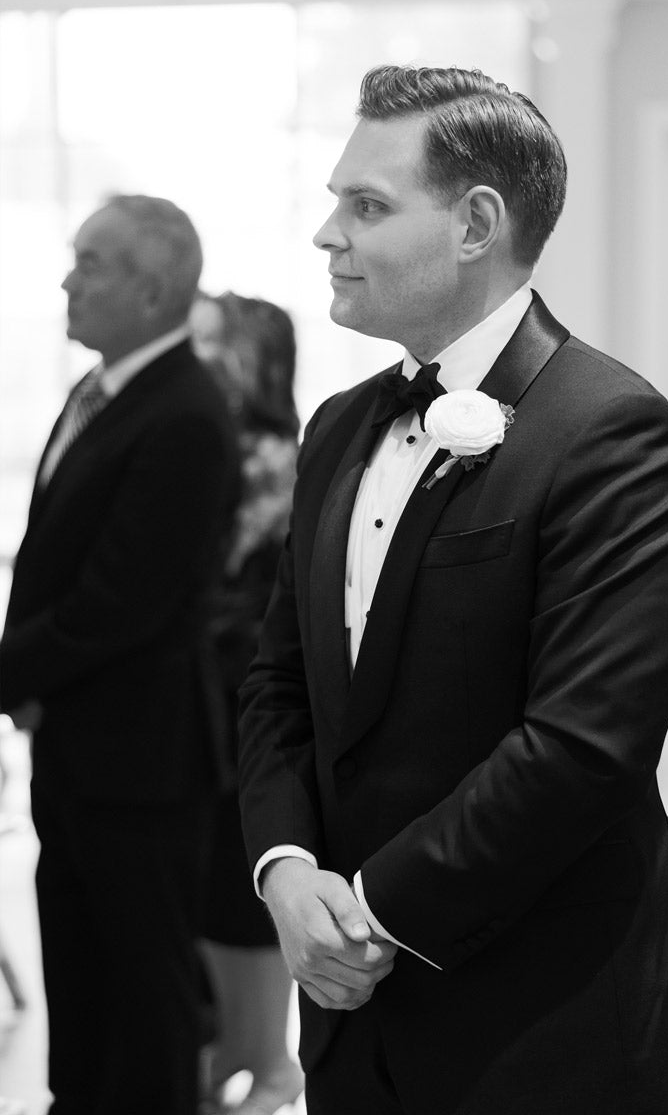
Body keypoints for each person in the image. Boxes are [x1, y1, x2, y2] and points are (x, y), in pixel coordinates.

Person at [237, 66, 668, 1115]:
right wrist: (285, 870)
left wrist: (369, 916)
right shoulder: (338, 425)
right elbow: (278, 680)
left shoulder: (609, 430)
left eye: (364, 205)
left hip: (545, 1015)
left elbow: (581, 746)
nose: (325, 234)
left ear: (476, 224)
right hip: (345, 1010)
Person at [0, 195, 240, 1115]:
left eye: (89, 263)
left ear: (148, 291)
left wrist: (8, 675)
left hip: (142, 758)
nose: (68, 279)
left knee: (146, 989)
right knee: (81, 962)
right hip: (79, 744)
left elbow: (116, 606)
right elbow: (54, 564)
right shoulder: (100, 388)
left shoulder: (183, 414)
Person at [190, 291, 304, 1115]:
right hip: (202, 709)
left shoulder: (273, 459)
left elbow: (229, 596)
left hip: (243, 710)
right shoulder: (224, 445)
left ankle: (271, 1062)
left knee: (242, 889)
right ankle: (239, 1042)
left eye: (210, 345)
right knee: (210, 892)